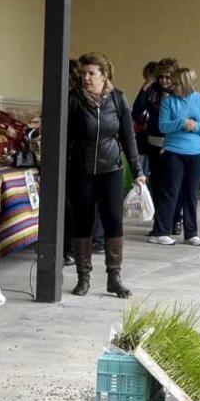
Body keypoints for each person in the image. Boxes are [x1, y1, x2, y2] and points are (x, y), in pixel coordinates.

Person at [66, 53, 146, 298]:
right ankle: (83, 278)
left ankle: (114, 277)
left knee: (114, 221)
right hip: (81, 169)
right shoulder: (73, 99)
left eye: (91, 73)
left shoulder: (118, 99)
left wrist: (138, 171)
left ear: (104, 75)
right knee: (83, 222)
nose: (86, 78)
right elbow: (64, 134)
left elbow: (129, 137)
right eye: (83, 74)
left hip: (111, 168)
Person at [150, 68, 200, 246]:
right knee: (170, 192)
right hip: (173, 152)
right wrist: (181, 123)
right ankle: (161, 231)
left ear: (188, 83)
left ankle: (191, 233)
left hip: (197, 153)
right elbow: (163, 126)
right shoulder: (168, 102)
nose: (173, 86)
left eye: (177, 83)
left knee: (191, 194)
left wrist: (196, 126)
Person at [133, 58, 184, 236]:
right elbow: (137, 111)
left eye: (168, 77)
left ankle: (176, 219)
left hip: (173, 145)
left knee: (173, 186)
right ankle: (160, 222)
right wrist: (146, 85)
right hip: (154, 144)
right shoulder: (153, 92)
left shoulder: (179, 94)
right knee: (157, 185)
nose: (164, 81)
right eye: (161, 77)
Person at [63, 58, 82, 267]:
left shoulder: (72, 97)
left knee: (69, 207)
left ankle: (69, 249)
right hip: (73, 156)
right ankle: (70, 249)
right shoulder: (74, 96)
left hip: (72, 157)